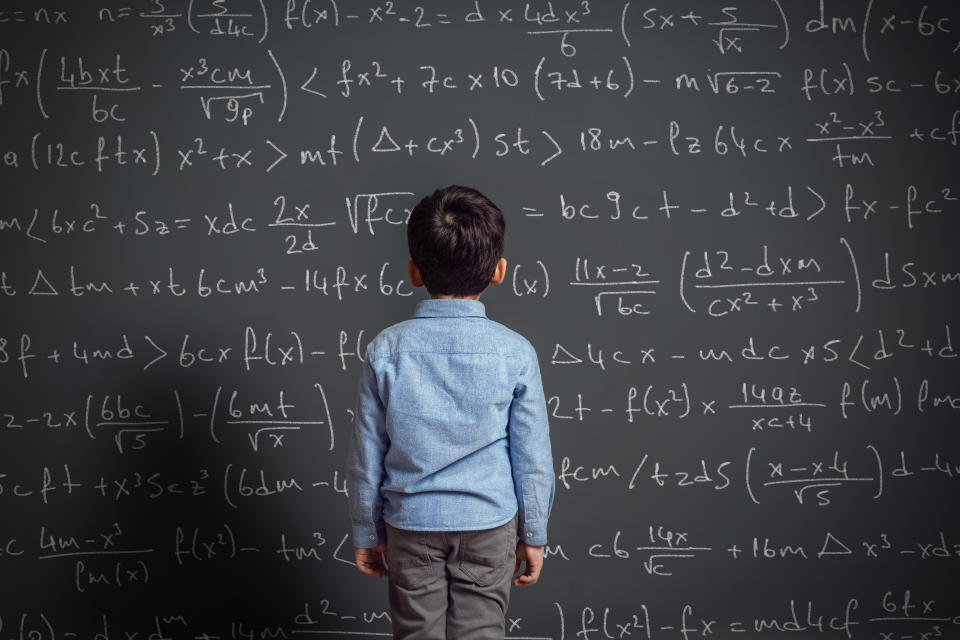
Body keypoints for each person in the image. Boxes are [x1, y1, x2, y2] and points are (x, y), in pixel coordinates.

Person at [345, 184, 556, 639]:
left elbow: (367, 453)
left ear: (414, 272)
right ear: (499, 271)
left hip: (410, 524)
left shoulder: (386, 349)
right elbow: (532, 456)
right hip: (489, 525)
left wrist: (367, 529)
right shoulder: (515, 352)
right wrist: (534, 533)